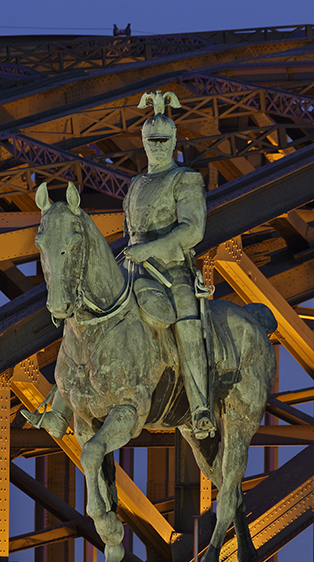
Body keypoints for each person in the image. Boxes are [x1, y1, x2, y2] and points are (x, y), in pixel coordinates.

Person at [123, 90, 215, 439]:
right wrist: (136, 253)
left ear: (174, 140)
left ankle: (200, 405)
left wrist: (152, 250)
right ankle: (59, 405)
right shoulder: (135, 184)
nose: (158, 146)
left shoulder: (185, 179)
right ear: (143, 142)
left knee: (187, 320)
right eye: (152, 140)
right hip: (133, 265)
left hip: (171, 268)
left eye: (164, 139)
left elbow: (192, 229)